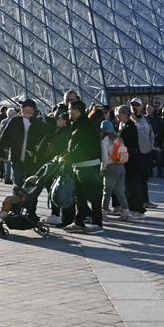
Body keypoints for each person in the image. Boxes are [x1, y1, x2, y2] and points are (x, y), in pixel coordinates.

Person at [60, 100, 103, 233]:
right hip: (80, 165)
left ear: (76, 111)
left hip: (88, 166)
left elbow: (81, 148)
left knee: (93, 195)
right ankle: (79, 222)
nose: (68, 113)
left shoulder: (84, 126)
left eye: (70, 111)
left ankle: (97, 223)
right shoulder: (79, 124)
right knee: (80, 196)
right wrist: (63, 155)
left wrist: (67, 157)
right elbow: (73, 146)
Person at [100, 120, 131, 221]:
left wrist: (102, 169)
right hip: (121, 166)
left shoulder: (104, 141)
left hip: (110, 167)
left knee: (107, 191)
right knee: (120, 191)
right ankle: (126, 211)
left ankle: (104, 212)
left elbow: (104, 158)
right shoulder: (119, 139)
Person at [129, 99, 156, 207]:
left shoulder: (145, 119)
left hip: (146, 151)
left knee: (144, 177)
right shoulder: (130, 120)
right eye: (132, 105)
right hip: (136, 153)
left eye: (136, 105)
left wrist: (151, 147)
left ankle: (145, 200)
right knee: (137, 178)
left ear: (141, 107)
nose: (134, 107)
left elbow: (151, 133)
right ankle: (140, 201)